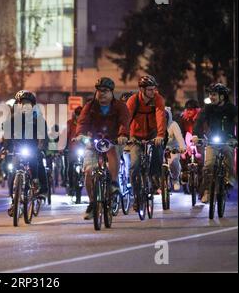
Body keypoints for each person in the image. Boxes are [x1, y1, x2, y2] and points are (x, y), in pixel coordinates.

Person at [75, 78, 130, 219]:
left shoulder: (120, 106)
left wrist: (123, 135)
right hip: (94, 141)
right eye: (99, 91)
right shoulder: (90, 106)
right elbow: (82, 122)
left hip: (113, 140)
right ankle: (93, 203)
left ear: (112, 93)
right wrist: (80, 134)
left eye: (105, 91)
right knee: (88, 171)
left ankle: (113, 183)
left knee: (112, 151)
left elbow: (124, 122)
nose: (102, 94)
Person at [4, 90, 49, 216]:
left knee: (38, 162)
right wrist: (5, 148)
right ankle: (14, 201)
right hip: (18, 148)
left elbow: (43, 136)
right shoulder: (13, 119)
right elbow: (7, 135)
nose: (25, 105)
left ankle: (41, 187)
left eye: (27, 103)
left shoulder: (38, 118)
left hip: (33, 147)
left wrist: (40, 147)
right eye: (22, 103)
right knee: (13, 171)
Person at [126, 75, 166, 210]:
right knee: (134, 165)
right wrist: (123, 135)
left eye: (154, 89)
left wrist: (160, 135)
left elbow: (160, 116)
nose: (153, 92)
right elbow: (126, 119)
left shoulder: (158, 99)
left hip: (153, 134)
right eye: (149, 89)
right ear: (142, 90)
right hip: (135, 136)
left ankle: (155, 177)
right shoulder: (133, 101)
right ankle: (137, 197)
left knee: (158, 150)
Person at [192, 83, 238, 203]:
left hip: (228, 140)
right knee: (208, 166)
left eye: (214, 94)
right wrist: (196, 135)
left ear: (222, 96)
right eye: (210, 94)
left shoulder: (231, 109)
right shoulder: (208, 108)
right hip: (212, 141)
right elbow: (199, 121)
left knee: (228, 153)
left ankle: (230, 180)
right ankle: (207, 191)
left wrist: (236, 139)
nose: (210, 97)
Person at [180, 99, 203, 193]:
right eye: (187, 109)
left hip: (199, 140)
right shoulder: (183, 118)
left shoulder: (201, 117)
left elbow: (205, 129)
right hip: (187, 139)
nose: (189, 111)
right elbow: (181, 131)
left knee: (201, 161)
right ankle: (184, 180)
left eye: (191, 109)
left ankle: (201, 185)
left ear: (196, 110)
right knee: (183, 158)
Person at [163, 107, 186, 191]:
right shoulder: (156, 125)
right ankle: (158, 183)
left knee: (174, 162)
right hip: (161, 148)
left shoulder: (173, 125)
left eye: (165, 117)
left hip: (173, 148)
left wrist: (182, 147)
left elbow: (179, 137)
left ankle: (175, 179)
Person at [64, 106, 82, 193]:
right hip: (72, 149)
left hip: (83, 148)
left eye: (80, 114)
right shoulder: (69, 123)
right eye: (77, 114)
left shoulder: (85, 123)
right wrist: (64, 146)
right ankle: (71, 185)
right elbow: (66, 136)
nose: (79, 116)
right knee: (70, 166)